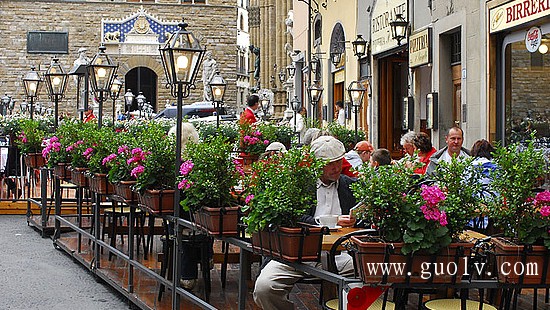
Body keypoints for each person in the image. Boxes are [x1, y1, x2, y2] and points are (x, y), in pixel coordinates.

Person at [253, 136, 357, 310]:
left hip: (341, 256)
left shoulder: (349, 186)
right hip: (297, 254)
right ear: (316, 164)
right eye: (330, 163)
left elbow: (364, 215)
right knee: (265, 288)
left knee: (369, 278)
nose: (337, 168)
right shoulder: (298, 185)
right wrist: (329, 221)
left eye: (339, 161)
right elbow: (291, 217)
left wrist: (358, 217)